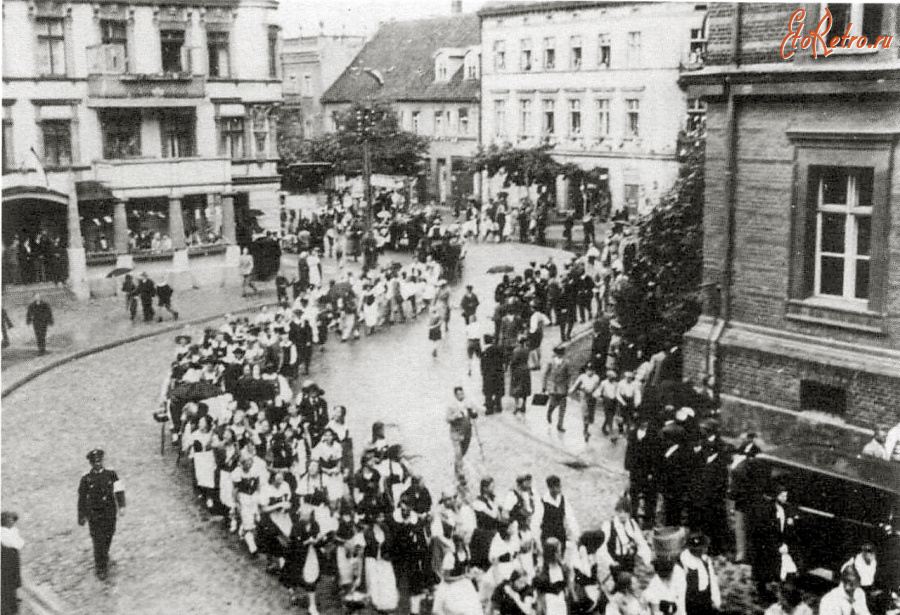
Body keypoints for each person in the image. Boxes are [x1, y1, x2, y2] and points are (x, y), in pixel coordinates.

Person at [77, 449, 126, 579]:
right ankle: (101, 567)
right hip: (94, 515)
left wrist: (121, 506)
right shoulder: (86, 479)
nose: (97, 464)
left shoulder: (111, 474)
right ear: (91, 464)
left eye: (99, 461)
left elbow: (119, 490)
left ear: (102, 461)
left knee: (109, 536)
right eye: (94, 462)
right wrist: (81, 516)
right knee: (98, 540)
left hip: (109, 513)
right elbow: (82, 498)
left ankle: (104, 554)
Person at [679, 532, 722, 615]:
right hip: (690, 606)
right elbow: (680, 593)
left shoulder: (706, 560)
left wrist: (716, 601)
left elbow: (712, 582)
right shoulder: (683, 563)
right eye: (697, 549)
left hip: (705, 602)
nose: (702, 550)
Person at [447, 386, 479, 483]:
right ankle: (461, 475)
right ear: (455, 395)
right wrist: (455, 417)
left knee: (463, 452)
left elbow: (474, 415)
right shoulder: (452, 406)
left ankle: (457, 467)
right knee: (459, 453)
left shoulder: (468, 403)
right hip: (456, 433)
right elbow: (447, 418)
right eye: (459, 394)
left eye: (462, 393)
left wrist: (473, 412)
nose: (461, 395)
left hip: (467, 432)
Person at [534, 537, 570, 615]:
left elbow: (566, 587)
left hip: (561, 602)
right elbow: (540, 594)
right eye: (558, 551)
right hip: (550, 604)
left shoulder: (563, 568)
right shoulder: (542, 572)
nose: (560, 553)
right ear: (551, 553)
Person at [542, 346, 573, 432]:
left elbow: (569, 375)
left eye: (561, 353)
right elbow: (545, 374)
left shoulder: (566, 363)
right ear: (556, 353)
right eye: (558, 353)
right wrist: (544, 386)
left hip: (563, 388)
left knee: (562, 407)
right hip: (553, 388)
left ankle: (560, 425)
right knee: (553, 404)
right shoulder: (551, 362)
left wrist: (569, 386)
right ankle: (549, 412)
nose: (560, 355)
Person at [570, 362, 601, 442]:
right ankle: (585, 430)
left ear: (593, 371)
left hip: (592, 397)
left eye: (591, 370)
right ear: (585, 370)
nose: (589, 371)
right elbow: (576, 385)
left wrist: (596, 393)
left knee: (591, 415)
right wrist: (571, 391)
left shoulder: (596, 378)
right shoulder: (582, 377)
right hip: (584, 396)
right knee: (585, 413)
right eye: (588, 370)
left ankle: (587, 427)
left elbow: (596, 388)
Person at [1, 511, 23, 615]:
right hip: (8, 566)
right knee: (8, 588)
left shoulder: (10, 533)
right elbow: (18, 544)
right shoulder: (7, 535)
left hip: (9, 567)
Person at [481, 335, 506, 415]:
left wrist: (483, 373)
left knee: (488, 392)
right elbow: (504, 360)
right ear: (492, 341)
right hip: (498, 373)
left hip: (488, 374)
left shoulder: (485, 352)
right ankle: (498, 406)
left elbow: (482, 365)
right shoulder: (499, 349)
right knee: (498, 390)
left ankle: (489, 408)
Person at [508, 335, 533, 418]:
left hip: (517, 370)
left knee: (515, 388)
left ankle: (517, 406)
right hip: (526, 369)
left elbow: (514, 361)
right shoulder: (527, 350)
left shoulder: (516, 350)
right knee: (525, 388)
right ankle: (524, 405)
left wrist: (510, 368)